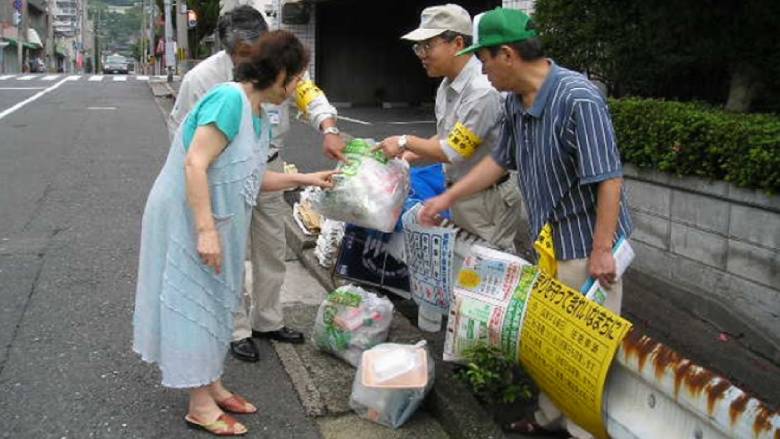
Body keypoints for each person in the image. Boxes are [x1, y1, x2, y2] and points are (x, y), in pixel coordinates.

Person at [419, 8, 633, 438]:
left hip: (586, 248)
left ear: (509, 55)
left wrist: (602, 251)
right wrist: (448, 196)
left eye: (485, 60)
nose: (482, 69)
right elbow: (500, 161)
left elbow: (608, 178)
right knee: (551, 344)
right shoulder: (515, 102)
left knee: (582, 354)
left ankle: (581, 430)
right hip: (549, 242)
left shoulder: (579, 98)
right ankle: (547, 418)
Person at [133, 30, 336, 436]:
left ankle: (212, 384)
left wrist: (310, 177)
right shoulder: (229, 99)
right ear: (279, 73)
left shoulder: (258, 114)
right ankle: (199, 404)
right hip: (189, 216)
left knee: (217, 300)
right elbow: (196, 163)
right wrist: (205, 231)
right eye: (296, 77)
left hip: (217, 217)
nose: (297, 87)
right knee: (194, 301)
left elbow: (252, 175)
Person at [169, 5, 347, 364]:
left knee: (271, 247)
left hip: (269, 167)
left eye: (256, 55)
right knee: (230, 253)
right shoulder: (203, 80)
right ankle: (235, 329)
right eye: (241, 56)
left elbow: (310, 95)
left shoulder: (281, 65)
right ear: (227, 50)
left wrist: (328, 128)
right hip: (222, 175)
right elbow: (182, 141)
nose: (251, 66)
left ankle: (267, 319)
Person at [374, 3, 522, 252]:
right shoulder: (446, 86)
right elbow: (449, 135)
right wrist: (408, 155)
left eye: (428, 45)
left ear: (458, 43)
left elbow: (455, 149)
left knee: (488, 271)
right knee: (466, 269)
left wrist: (404, 141)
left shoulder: (481, 90)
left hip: (488, 200)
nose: (421, 54)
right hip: (464, 195)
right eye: (418, 47)